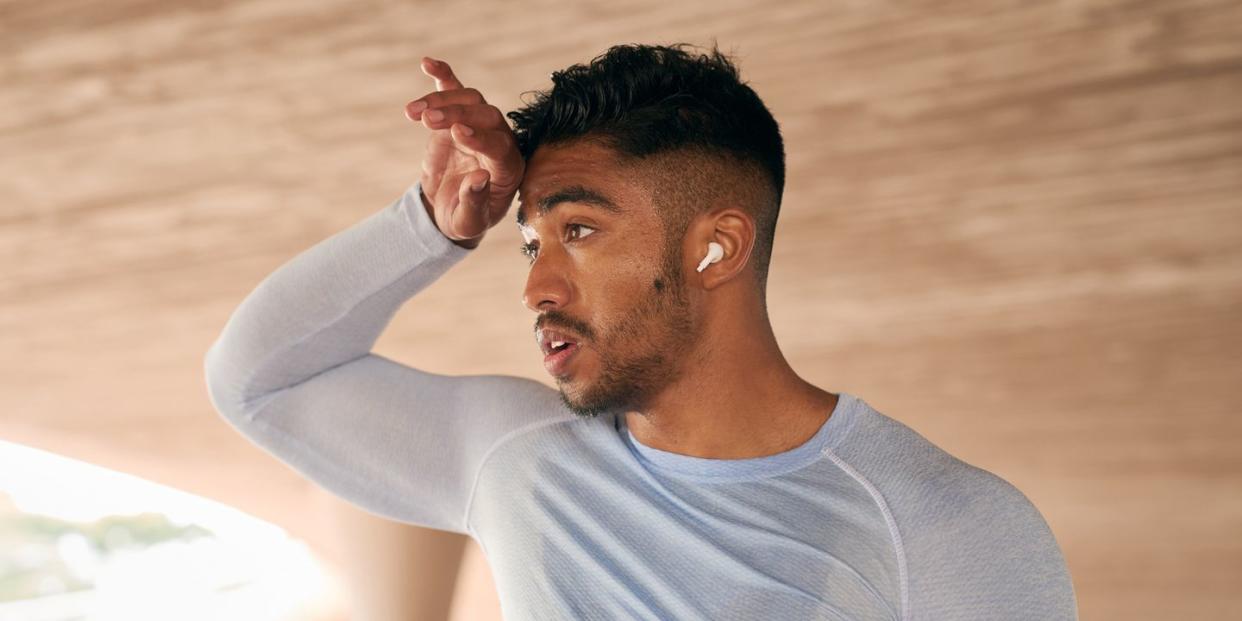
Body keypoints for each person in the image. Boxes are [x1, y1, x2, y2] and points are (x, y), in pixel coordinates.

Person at [204, 43, 1078, 620]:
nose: (537, 284)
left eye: (578, 231)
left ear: (716, 247)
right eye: (529, 241)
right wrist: (434, 226)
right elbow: (259, 379)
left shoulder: (937, 518)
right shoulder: (521, 460)